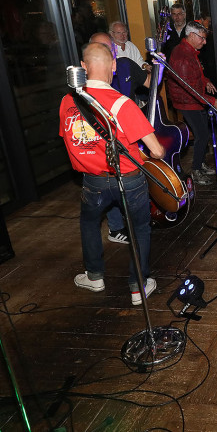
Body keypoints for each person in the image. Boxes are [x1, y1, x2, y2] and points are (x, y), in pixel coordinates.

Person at [61, 42, 165, 305]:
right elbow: (157, 152)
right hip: (128, 180)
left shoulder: (67, 101)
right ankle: (138, 287)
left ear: (84, 67)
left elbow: (70, 138)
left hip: (92, 181)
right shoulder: (122, 104)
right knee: (139, 228)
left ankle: (94, 276)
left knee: (88, 223)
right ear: (114, 66)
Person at [88, 32, 151, 244]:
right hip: (102, 145)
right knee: (109, 183)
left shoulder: (125, 65)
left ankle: (135, 222)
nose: (106, 52)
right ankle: (116, 228)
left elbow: (150, 83)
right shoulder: (86, 83)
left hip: (130, 136)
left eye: (109, 48)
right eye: (100, 48)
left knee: (128, 184)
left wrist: (157, 65)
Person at [167, 21, 217, 185]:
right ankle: (196, 170)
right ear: (191, 35)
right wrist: (211, 100)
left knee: (203, 134)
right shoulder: (182, 56)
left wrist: (205, 80)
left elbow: (195, 75)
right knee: (201, 135)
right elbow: (189, 87)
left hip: (194, 100)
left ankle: (200, 164)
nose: (205, 42)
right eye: (202, 38)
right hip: (187, 102)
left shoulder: (189, 51)